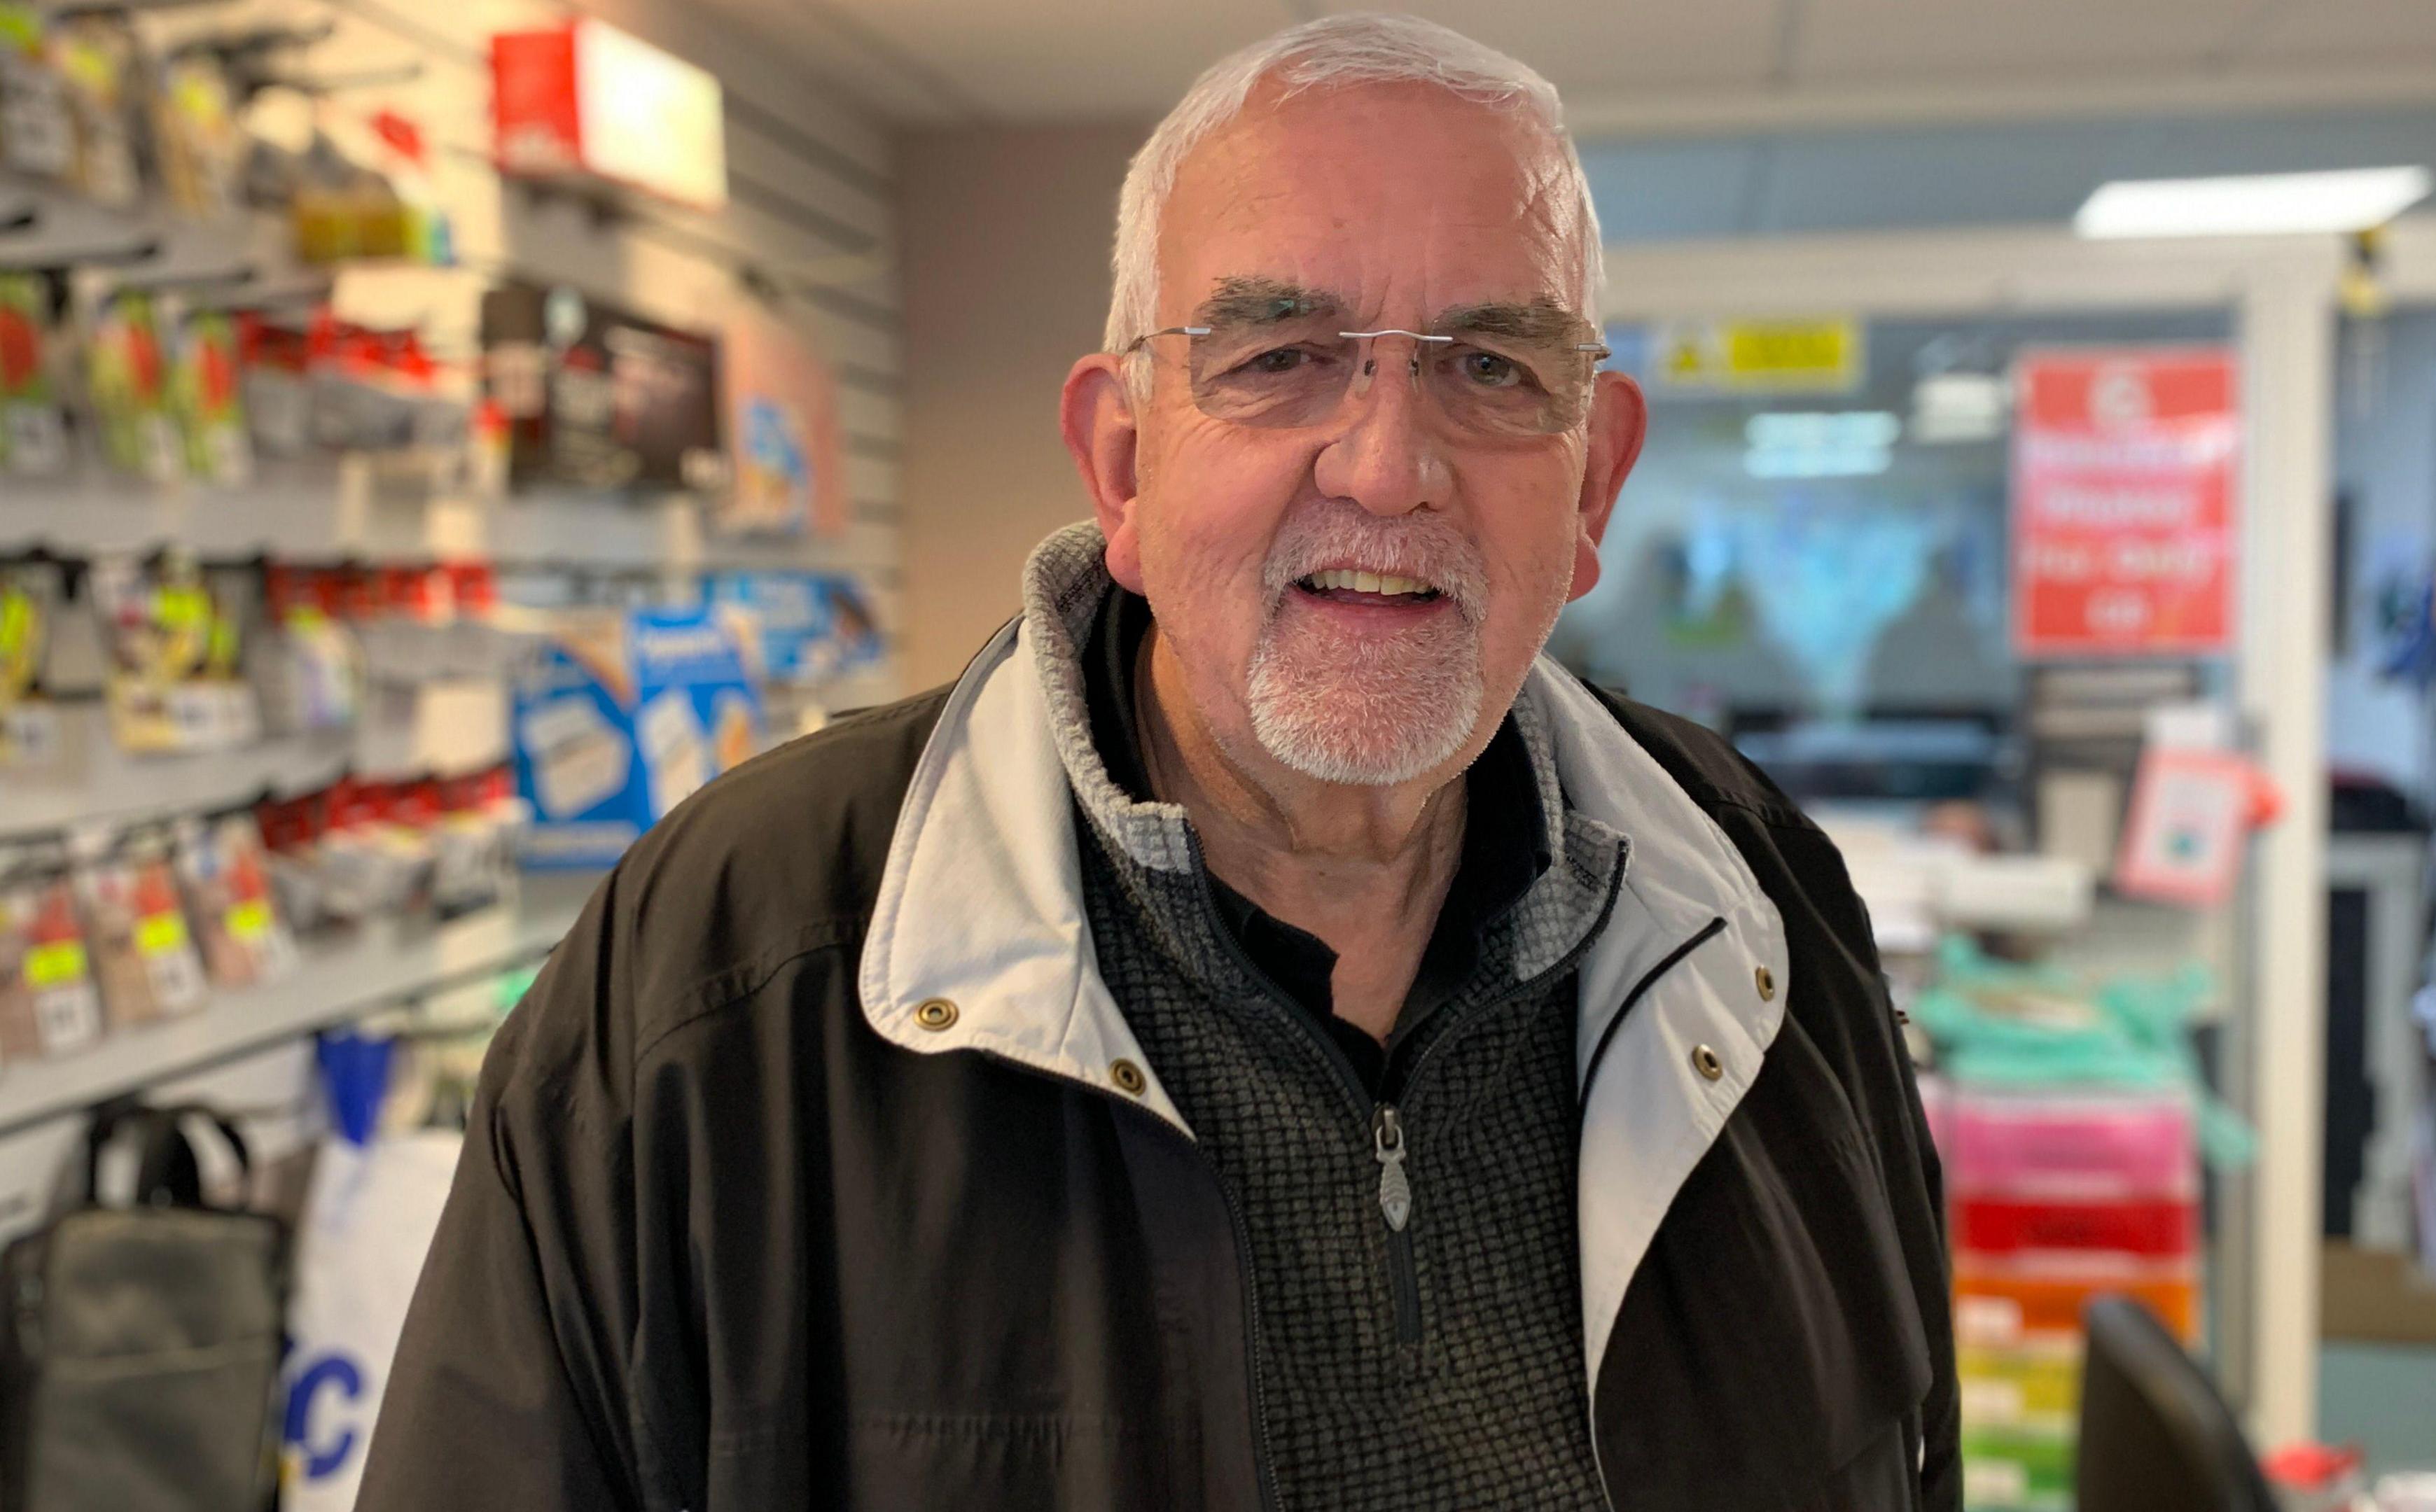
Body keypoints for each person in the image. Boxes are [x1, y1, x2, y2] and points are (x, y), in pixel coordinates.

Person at [361, 15, 1956, 1511]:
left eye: (1490, 367)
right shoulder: (724, 969)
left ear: (1594, 484)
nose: (1390, 468)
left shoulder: (1756, 911)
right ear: (1122, 463)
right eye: (1279, 357)